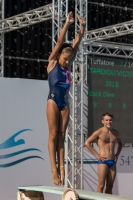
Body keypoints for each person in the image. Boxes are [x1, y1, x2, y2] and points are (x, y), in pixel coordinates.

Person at [46, 11, 86, 186]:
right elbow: (61, 42)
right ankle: (53, 169)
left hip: (65, 103)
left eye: (69, 60)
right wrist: (68, 24)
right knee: (54, 134)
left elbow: (76, 43)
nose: (67, 62)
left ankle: (62, 169)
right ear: (59, 55)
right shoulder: (53, 62)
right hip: (53, 100)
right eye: (65, 58)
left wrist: (82, 27)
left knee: (62, 135)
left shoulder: (68, 63)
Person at [84, 113, 122, 194]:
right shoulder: (99, 132)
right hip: (103, 161)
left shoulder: (116, 132)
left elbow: (120, 144)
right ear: (103, 121)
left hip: (112, 162)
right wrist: (97, 155)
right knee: (101, 185)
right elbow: (87, 143)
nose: (108, 122)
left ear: (113, 121)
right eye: (106, 120)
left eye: (110, 120)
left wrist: (117, 155)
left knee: (110, 186)